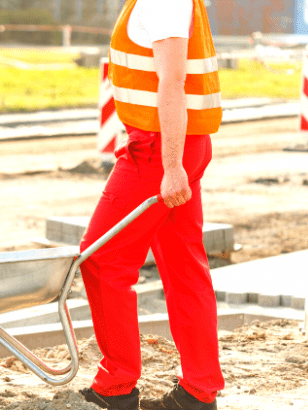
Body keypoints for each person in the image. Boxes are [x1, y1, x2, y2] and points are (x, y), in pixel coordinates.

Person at [77, 1, 224, 409]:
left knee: (103, 258)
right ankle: (199, 389)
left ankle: (116, 386)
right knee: (183, 264)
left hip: (159, 149)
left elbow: (172, 82)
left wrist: (172, 166)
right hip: (175, 143)